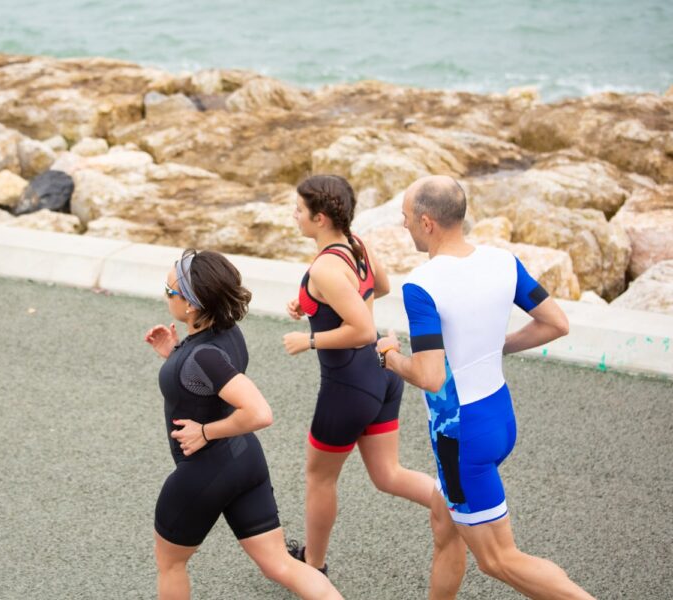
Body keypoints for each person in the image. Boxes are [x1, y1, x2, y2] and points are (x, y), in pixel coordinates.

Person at [378, 175, 594, 599]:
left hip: (462, 440)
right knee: (445, 527)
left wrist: (388, 356)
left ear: (427, 223)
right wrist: (496, 347)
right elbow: (556, 323)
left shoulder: (422, 286)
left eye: (405, 218)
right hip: (498, 417)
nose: (403, 226)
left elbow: (431, 376)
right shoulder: (503, 261)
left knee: (499, 560)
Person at [145, 248, 342, 600]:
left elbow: (260, 412)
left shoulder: (202, 357)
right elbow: (207, 384)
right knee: (280, 564)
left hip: (204, 472)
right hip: (243, 462)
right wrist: (175, 354)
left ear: (191, 305)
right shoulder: (226, 333)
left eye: (169, 289)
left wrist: (205, 432)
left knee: (170, 564)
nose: (165, 295)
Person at [282, 174, 434, 575]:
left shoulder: (325, 269)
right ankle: (453, 504)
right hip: (382, 375)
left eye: (298, 209)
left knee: (319, 478)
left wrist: (309, 341)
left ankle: (312, 567)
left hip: (348, 387)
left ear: (318, 218)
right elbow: (379, 286)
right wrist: (313, 307)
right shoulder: (356, 245)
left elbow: (362, 330)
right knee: (388, 474)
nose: (293, 215)